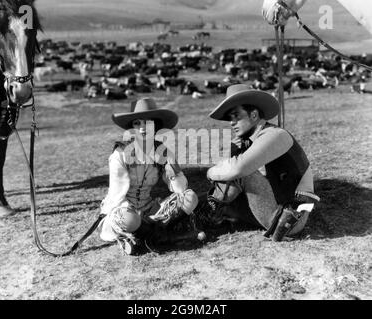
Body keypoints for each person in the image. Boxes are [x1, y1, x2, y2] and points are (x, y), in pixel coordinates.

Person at [195, 84, 320, 241]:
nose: (231, 123)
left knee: (240, 172)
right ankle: (187, 214)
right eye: (229, 118)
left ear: (254, 115)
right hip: (271, 208)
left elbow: (237, 169)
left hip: (288, 220)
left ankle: (203, 218)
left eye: (236, 116)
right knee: (197, 198)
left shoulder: (275, 135)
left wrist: (210, 172)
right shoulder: (247, 140)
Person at [99, 98, 198, 254]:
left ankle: (146, 235)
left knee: (190, 197)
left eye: (148, 123)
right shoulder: (120, 153)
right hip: (123, 210)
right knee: (130, 219)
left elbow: (180, 189)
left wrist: (172, 167)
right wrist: (134, 217)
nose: (143, 128)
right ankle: (152, 233)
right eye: (137, 123)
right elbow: (117, 196)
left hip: (149, 210)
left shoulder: (161, 151)